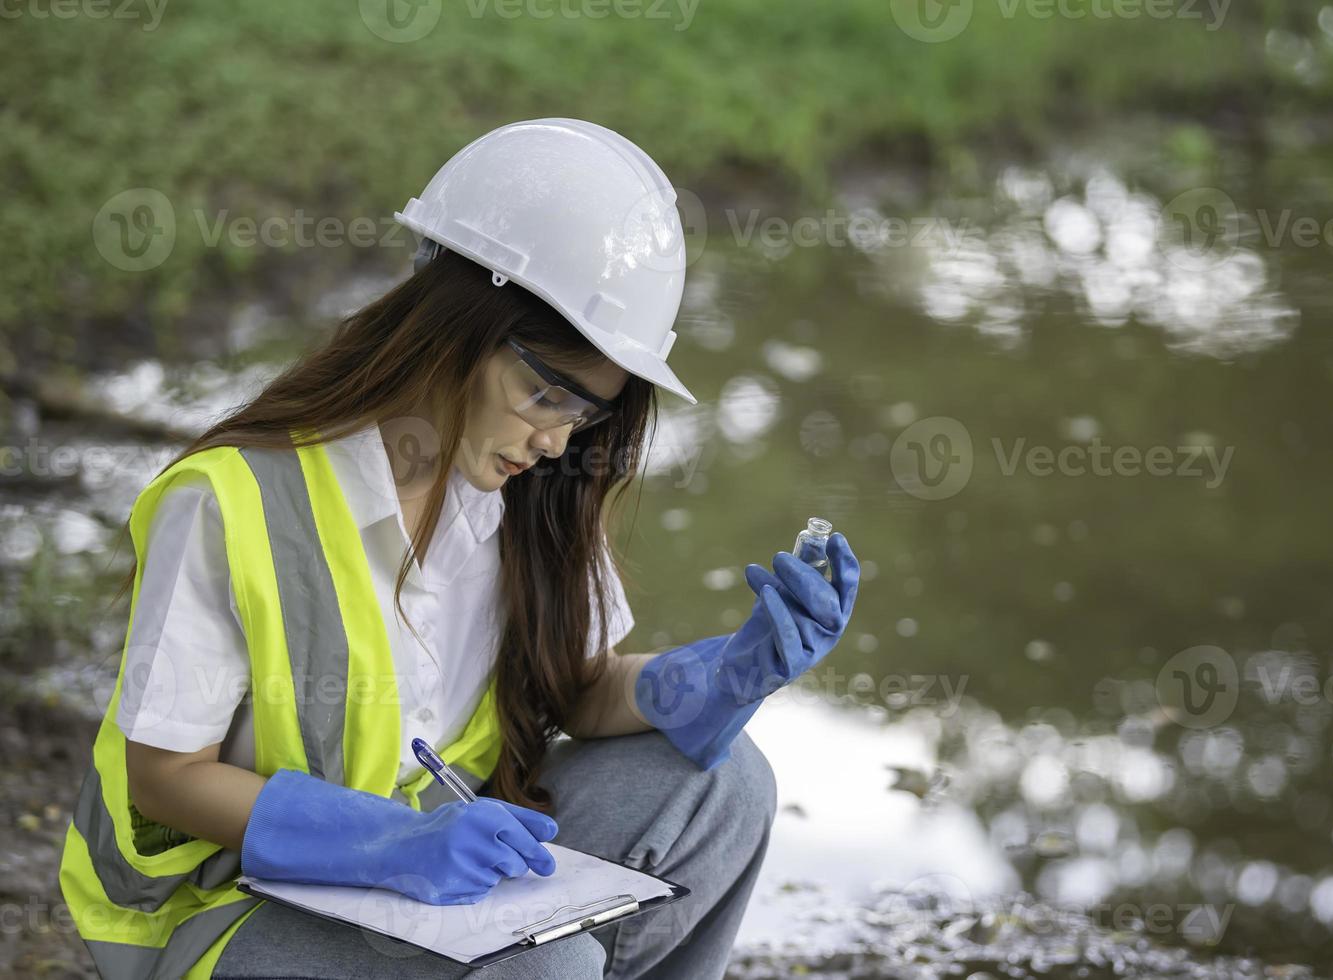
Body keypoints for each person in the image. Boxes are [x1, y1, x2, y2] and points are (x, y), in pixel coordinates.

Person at [56, 118, 860, 980]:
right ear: (453, 325)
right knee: (539, 970)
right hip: (230, 913)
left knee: (723, 786)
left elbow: (579, 692)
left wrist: (724, 675)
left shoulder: (526, 488)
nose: (558, 439)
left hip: (429, 869)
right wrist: (395, 841)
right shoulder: (232, 501)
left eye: (585, 411)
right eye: (546, 392)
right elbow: (167, 777)